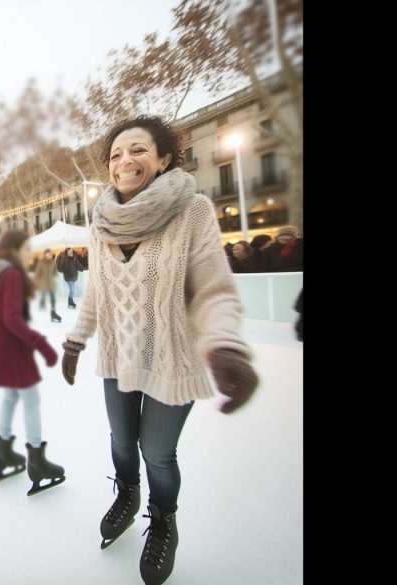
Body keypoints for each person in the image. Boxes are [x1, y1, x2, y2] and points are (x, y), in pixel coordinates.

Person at [61, 116, 259, 585]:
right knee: (121, 441)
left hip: (172, 357)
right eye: (115, 155)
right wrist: (75, 338)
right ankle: (127, 493)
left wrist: (226, 345)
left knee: (157, 452)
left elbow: (213, 287)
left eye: (138, 150)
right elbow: (96, 293)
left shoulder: (192, 211)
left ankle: (163, 518)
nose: (124, 161)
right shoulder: (100, 221)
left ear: (165, 158)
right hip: (116, 356)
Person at [0, 230, 64, 496]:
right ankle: (37, 461)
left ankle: (2, 453)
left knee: (11, 396)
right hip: (9, 342)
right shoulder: (11, 274)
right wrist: (42, 344)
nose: (29, 255)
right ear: (14, 250)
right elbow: (12, 318)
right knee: (30, 398)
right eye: (26, 249)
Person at [33, 249, 60, 322]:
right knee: (43, 295)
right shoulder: (41, 262)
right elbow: (37, 273)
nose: (47, 255)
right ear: (44, 255)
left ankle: (53, 311)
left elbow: (55, 272)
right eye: (46, 254)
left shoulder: (53, 262)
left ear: (51, 255)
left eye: (49, 254)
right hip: (43, 282)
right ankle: (42, 305)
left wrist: (55, 274)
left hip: (51, 283)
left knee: (53, 298)